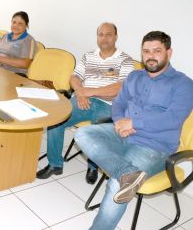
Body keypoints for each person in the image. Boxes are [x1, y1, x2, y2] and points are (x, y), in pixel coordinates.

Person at [75, 31, 193, 229]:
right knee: (82, 133)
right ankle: (127, 173)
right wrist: (121, 123)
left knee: (116, 184)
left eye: (157, 51)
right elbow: (119, 103)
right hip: (123, 135)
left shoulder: (184, 84)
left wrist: (134, 123)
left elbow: (172, 118)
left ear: (169, 52)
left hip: (154, 147)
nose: (150, 56)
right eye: (146, 51)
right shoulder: (134, 76)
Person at [36, 22, 134, 185]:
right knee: (56, 120)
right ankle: (55, 164)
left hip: (110, 106)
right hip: (83, 99)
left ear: (116, 37)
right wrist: (80, 93)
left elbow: (119, 88)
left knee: (97, 131)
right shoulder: (88, 56)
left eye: (108, 34)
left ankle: (93, 166)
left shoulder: (125, 60)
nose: (104, 38)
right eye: (101, 34)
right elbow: (74, 78)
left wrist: (88, 92)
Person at [0, 11, 37, 75]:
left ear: (26, 25)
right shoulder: (5, 36)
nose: (16, 25)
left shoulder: (28, 40)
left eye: (20, 23)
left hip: (15, 74)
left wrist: (1, 59)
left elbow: (25, 64)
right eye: (14, 22)